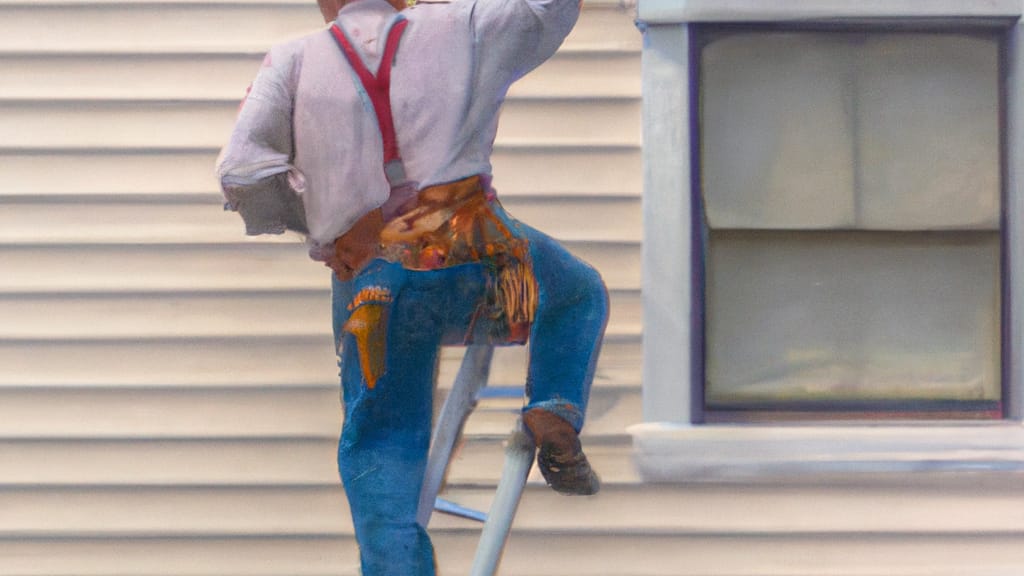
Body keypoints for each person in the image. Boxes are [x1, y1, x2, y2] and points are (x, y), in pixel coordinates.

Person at [216, 0, 607, 572]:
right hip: (485, 269)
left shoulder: (293, 60)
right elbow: (547, 8)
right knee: (575, 292)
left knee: (382, 443)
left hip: (376, 285)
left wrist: (334, 226)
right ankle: (552, 404)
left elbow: (242, 172)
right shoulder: (463, 27)